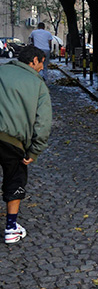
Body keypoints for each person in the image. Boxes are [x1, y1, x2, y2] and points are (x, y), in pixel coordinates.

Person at [0, 45, 52, 244]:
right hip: (13, 141)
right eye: (41, 63)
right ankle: (11, 228)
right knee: (14, 178)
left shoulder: (2, 70)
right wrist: (34, 150)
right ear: (34, 61)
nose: (42, 67)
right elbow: (43, 122)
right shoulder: (38, 84)